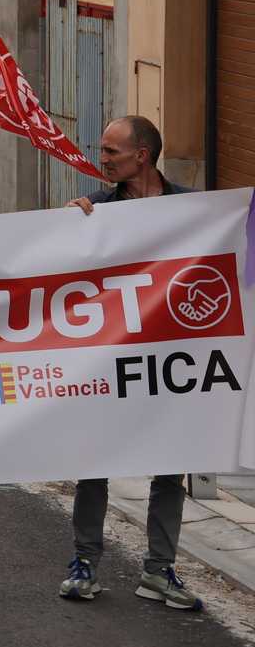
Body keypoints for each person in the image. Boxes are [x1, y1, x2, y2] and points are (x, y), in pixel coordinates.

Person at [58, 115, 200, 610]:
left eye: (111, 151)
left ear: (142, 155)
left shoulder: (191, 209)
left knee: (171, 467)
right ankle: (84, 565)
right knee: (94, 463)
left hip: (170, 360)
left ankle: (159, 571)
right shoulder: (96, 209)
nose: (102, 158)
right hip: (110, 359)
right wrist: (69, 224)